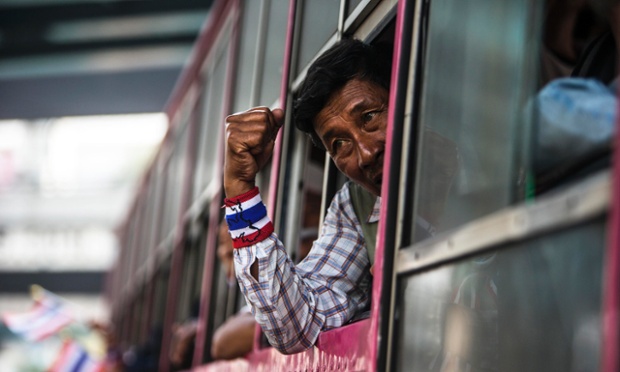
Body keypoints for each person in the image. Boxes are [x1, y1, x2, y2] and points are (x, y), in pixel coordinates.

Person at [223, 39, 392, 354]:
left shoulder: (494, 151)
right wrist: (240, 189)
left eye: (369, 117)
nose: (366, 154)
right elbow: (295, 326)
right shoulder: (355, 207)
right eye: (340, 144)